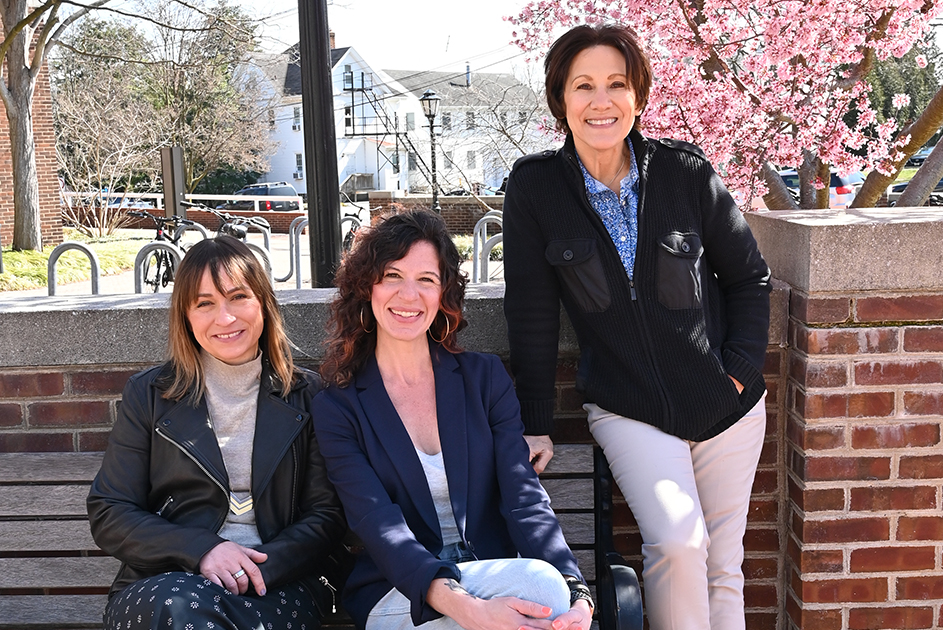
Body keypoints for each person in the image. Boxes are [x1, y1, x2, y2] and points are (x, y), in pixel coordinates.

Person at [502, 24, 773, 630]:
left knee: (724, 566)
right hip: (628, 408)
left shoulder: (685, 172)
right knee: (679, 543)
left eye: (617, 84)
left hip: (726, 404)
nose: (602, 101)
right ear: (560, 99)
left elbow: (751, 278)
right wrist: (536, 422)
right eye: (584, 86)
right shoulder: (535, 187)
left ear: (639, 96)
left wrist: (737, 374)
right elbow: (532, 312)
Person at [311, 210, 593, 630]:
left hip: (494, 576)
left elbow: (524, 498)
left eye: (426, 279)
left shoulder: (484, 379)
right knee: (535, 592)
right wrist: (468, 609)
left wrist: (577, 591)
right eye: (392, 275)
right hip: (402, 592)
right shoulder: (339, 405)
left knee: (547, 593)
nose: (409, 295)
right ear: (366, 287)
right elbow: (377, 523)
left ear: (443, 293)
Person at [87, 236, 346, 630]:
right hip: (165, 583)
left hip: (278, 582)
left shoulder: (307, 396)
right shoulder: (151, 395)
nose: (224, 318)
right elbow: (111, 511)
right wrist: (203, 550)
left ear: (263, 304)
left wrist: (255, 567)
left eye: (238, 296)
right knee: (181, 610)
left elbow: (325, 515)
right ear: (186, 317)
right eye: (205, 303)